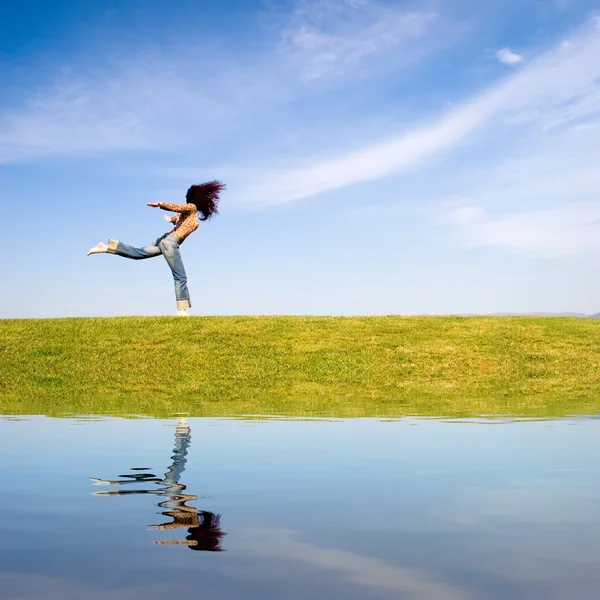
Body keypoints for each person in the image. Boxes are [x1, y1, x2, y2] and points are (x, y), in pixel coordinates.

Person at [87, 181, 225, 316]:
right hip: (170, 243)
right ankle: (182, 311)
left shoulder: (187, 215)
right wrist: (161, 205)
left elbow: (176, 217)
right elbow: (177, 207)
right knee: (180, 277)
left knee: (137, 253)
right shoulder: (191, 208)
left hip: (164, 241)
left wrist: (169, 219)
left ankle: (106, 248)